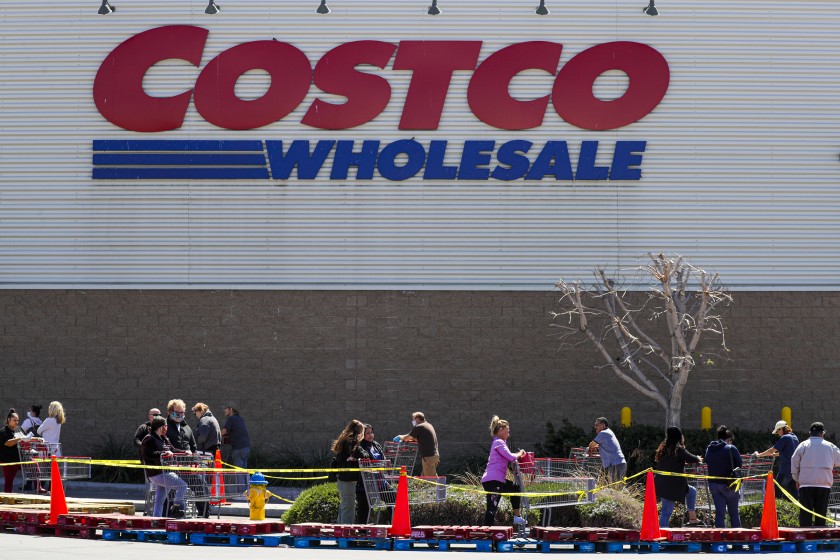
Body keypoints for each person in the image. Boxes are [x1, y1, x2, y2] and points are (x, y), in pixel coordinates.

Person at [791, 421, 840, 527]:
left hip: (806, 484)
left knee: (805, 513)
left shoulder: (803, 445)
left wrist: (797, 479)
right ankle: (819, 537)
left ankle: (804, 537)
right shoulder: (830, 446)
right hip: (824, 483)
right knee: (821, 513)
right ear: (822, 433)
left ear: (810, 433)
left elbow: (794, 461)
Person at [481, 416, 527, 526]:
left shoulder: (500, 442)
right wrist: (521, 454)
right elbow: (510, 457)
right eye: (507, 431)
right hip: (493, 481)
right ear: (500, 430)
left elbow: (508, 458)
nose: (508, 434)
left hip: (497, 480)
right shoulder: (498, 442)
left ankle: (517, 517)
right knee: (492, 508)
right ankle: (487, 533)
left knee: (515, 488)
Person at [140, 415, 188, 518]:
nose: (167, 428)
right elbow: (146, 454)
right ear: (160, 426)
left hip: (165, 471)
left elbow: (172, 449)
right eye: (165, 425)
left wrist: (185, 452)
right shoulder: (149, 438)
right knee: (182, 486)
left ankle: (156, 520)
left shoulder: (164, 438)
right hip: (157, 473)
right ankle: (175, 508)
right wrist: (162, 454)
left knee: (159, 500)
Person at [654, 426, 702, 527]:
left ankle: (693, 518)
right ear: (679, 436)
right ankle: (662, 532)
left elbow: (670, 462)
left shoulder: (663, 449)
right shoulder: (678, 450)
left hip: (661, 483)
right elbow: (693, 458)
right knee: (666, 511)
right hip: (672, 485)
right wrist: (698, 458)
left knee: (692, 492)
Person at [704, 425, 742, 528]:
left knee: (720, 513)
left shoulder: (710, 449)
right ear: (729, 439)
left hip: (714, 485)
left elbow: (707, 461)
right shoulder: (731, 448)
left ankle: (720, 540)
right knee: (733, 513)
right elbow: (739, 464)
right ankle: (737, 540)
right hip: (730, 484)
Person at [753, 420, 799, 500]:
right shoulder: (794, 437)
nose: (778, 433)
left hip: (785, 469)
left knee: (775, 490)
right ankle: (796, 510)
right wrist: (777, 454)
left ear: (781, 429)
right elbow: (791, 452)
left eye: (778, 431)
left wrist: (759, 455)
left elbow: (772, 450)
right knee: (793, 492)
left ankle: (774, 509)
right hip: (794, 469)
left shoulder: (785, 437)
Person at [331, 419, 364, 524]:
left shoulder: (344, 440)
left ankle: (340, 530)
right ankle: (346, 531)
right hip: (348, 478)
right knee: (348, 506)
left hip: (342, 477)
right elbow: (362, 454)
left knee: (344, 505)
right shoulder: (351, 441)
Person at [1, 409, 42, 493]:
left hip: (21, 457)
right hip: (9, 460)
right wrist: (20, 438)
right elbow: (8, 443)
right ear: (9, 420)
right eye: (14, 420)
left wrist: (37, 439)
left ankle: (38, 488)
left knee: (34, 466)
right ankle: (7, 497)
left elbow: (25, 437)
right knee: (9, 481)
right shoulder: (3, 431)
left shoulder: (18, 429)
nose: (16, 422)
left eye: (17, 420)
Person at [354, 423, 385, 524]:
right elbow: (363, 460)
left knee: (393, 498)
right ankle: (361, 531)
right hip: (366, 482)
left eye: (372, 432)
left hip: (379, 480)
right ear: (362, 434)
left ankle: (393, 522)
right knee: (364, 507)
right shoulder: (360, 446)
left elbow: (383, 459)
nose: (371, 435)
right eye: (368, 433)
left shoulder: (376, 445)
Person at [396, 411, 439, 476]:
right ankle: (419, 486)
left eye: (413, 419)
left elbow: (406, 438)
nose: (413, 421)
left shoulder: (419, 426)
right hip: (434, 456)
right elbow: (417, 438)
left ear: (417, 418)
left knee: (431, 479)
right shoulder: (428, 425)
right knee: (424, 478)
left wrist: (399, 436)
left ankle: (439, 486)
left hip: (428, 457)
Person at [588, 417, 627, 482]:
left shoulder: (603, 433)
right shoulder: (608, 432)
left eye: (597, 425)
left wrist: (591, 448)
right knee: (616, 487)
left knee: (616, 487)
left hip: (615, 464)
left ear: (603, 425)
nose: (595, 427)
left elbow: (591, 445)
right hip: (616, 464)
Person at [19, 405, 43, 491]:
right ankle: (37, 484)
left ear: (33, 412)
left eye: (30, 410)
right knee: (36, 465)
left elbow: (21, 431)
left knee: (29, 465)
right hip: (39, 447)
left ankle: (29, 484)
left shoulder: (28, 421)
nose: (28, 412)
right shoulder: (41, 422)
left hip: (29, 446)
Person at [221, 402, 251, 469]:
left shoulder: (231, 419)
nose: (224, 410)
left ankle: (241, 480)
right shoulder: (240, 419)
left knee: (238, 472)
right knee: (244, 471)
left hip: (238, 449)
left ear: (230, 409)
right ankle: (245, 480)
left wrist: (215, 435)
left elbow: (223, 432)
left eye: (225, 408)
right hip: (246, 448)